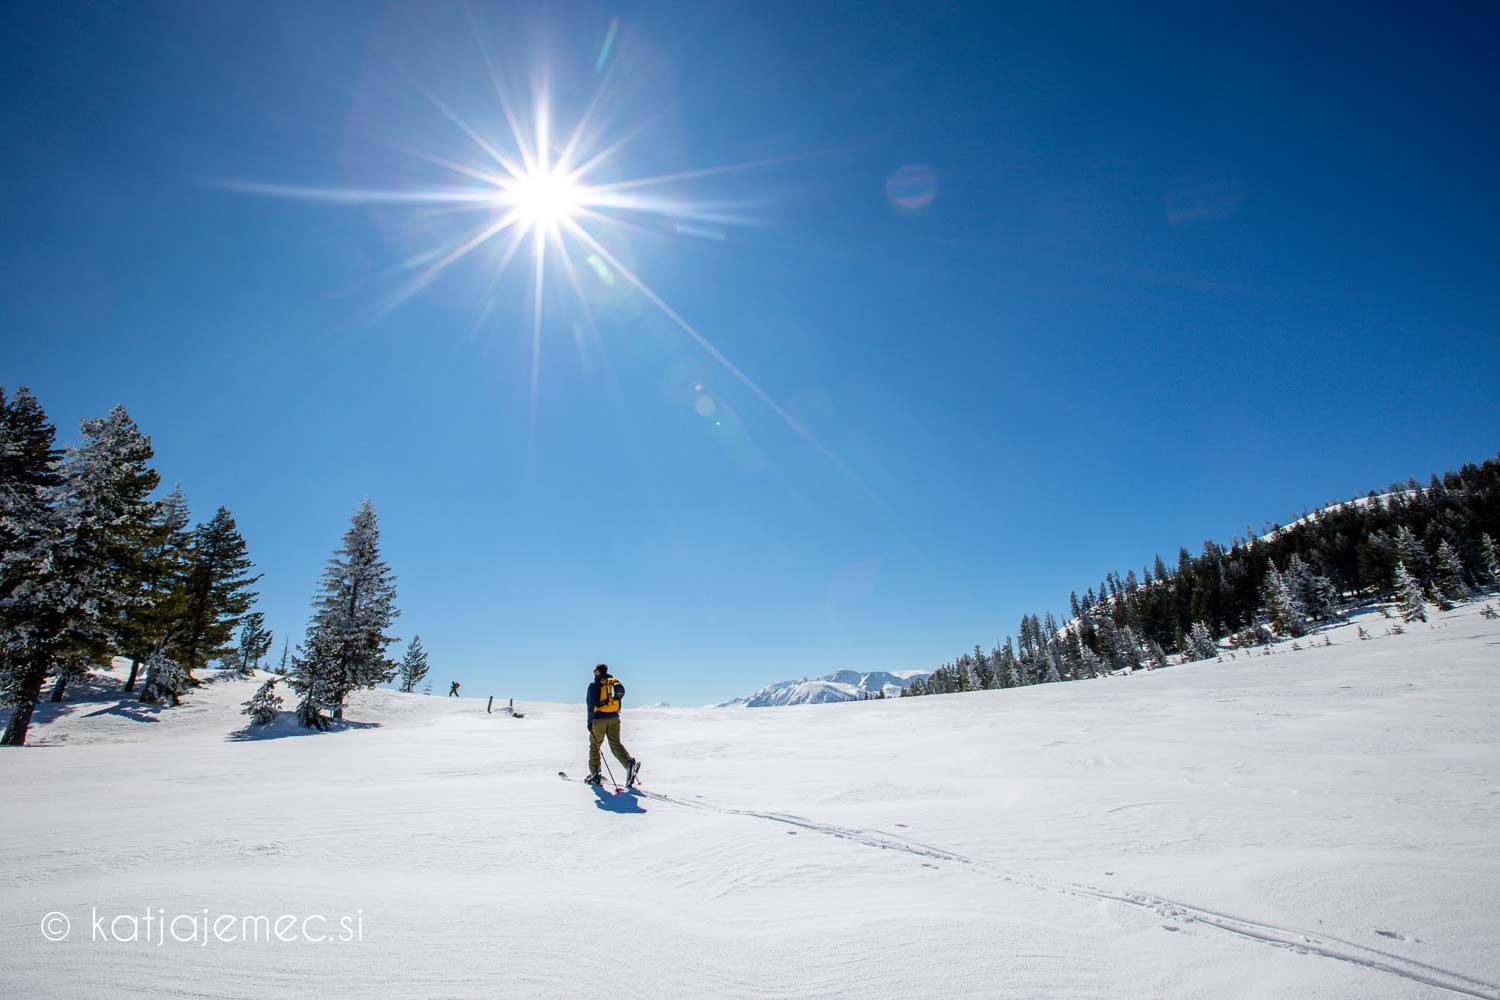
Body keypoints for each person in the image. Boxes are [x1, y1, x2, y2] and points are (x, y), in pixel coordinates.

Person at [585, 663, 639, 786]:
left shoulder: (595, 685)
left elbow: (590, 705)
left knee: (595, 745)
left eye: (595, 670)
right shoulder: (613, 684)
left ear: (598, 672)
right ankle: (629, 764)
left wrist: (590, 723)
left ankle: (595, 774)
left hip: (599, 720)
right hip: (614, 718)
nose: (594, 672)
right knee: (615, 744)